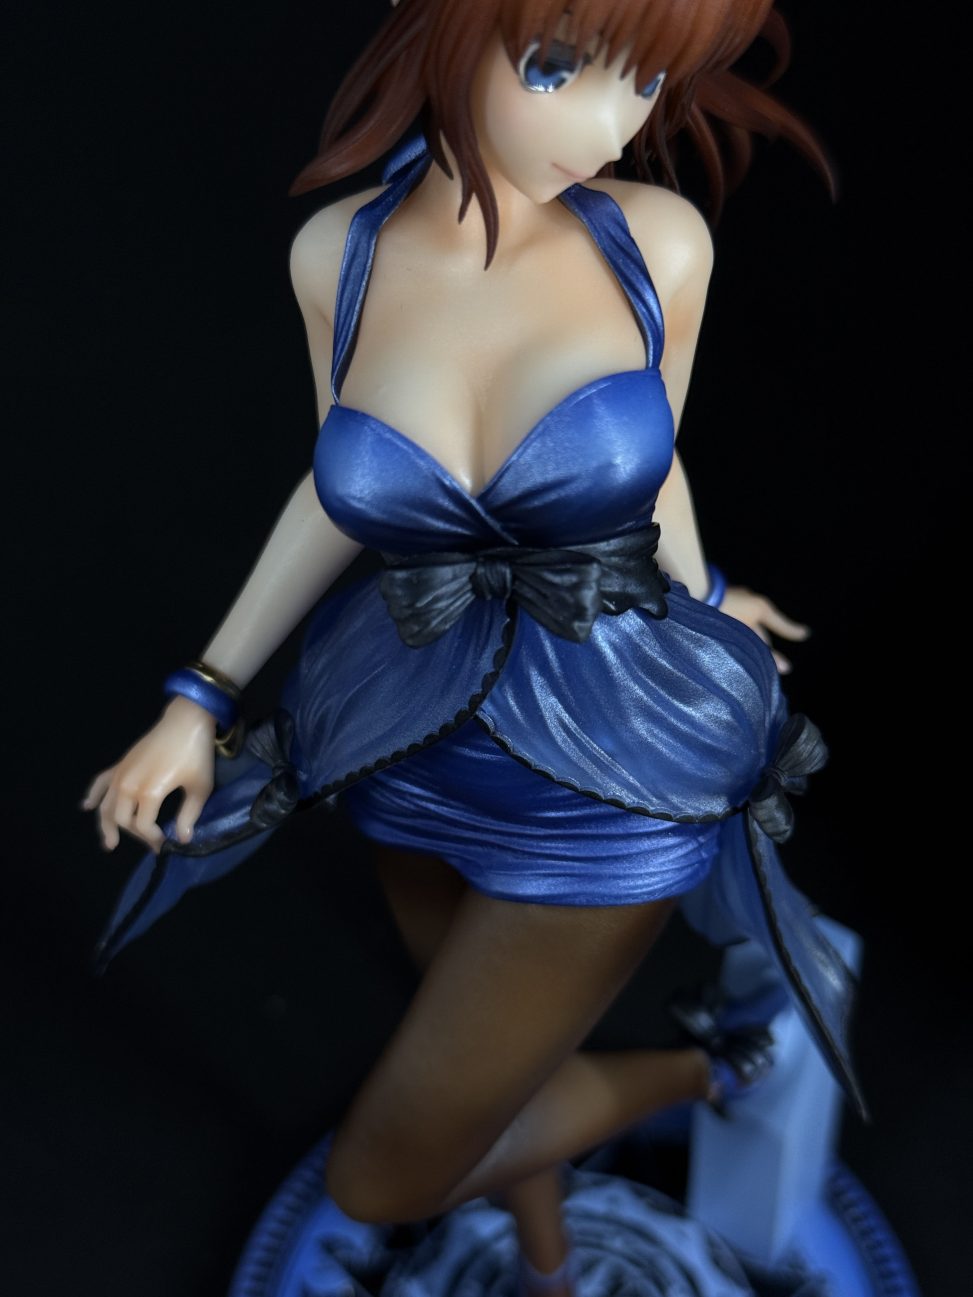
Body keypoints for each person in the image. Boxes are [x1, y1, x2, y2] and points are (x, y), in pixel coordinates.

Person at [82, 2, 866, 1292]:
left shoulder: (658, 241)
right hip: (400, 730)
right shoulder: (338, 255)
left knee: (380, 1177)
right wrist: (199, 697)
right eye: (556, 68)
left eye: (647, 84)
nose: (609, 129)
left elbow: (656, 461)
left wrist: (710, 598)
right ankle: (548, 1268)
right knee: (491, 1067)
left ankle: (708, 1070)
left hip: (610, 760)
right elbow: (333, 487)